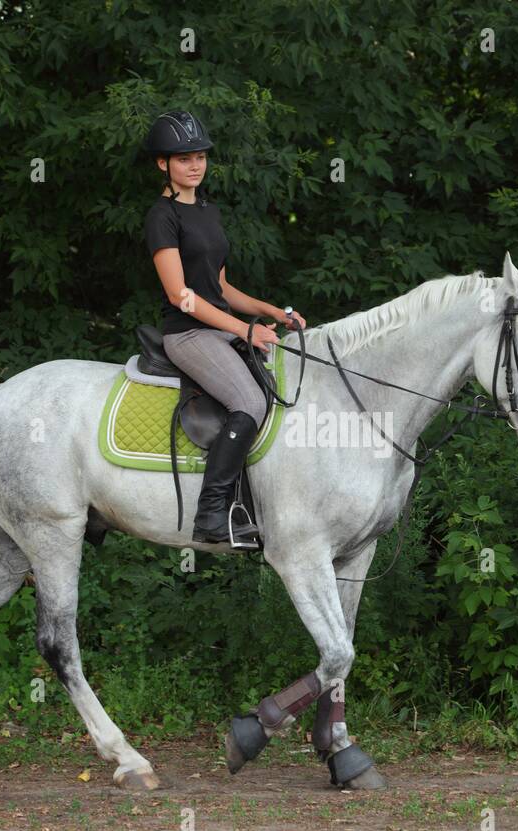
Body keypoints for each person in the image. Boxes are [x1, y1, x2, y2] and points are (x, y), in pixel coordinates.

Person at [142, 109, 307, 546]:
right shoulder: (162, 217)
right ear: (164, 164)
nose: (194, 165)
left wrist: (271, 311)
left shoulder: (208, 212)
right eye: (183, 159)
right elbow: (183, 295)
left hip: (219, 327)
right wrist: (246, 330)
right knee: (251, 401)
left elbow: (220, 286)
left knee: (280, 390)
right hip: (188, 333)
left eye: (199, 157)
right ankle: (213, 514)